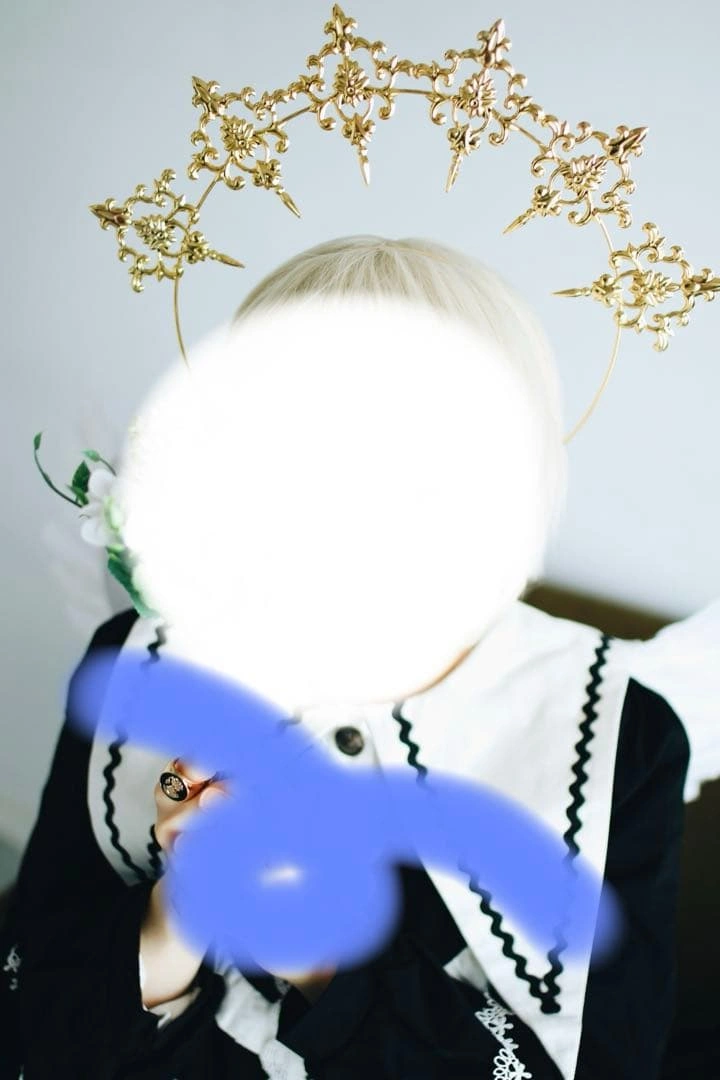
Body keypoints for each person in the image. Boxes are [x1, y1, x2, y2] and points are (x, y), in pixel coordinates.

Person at [0, 236, 690, 1079]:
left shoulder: (617, 735)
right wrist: (173, 920)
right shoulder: (139, 662)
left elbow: (607, 1059)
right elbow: (34, 995)